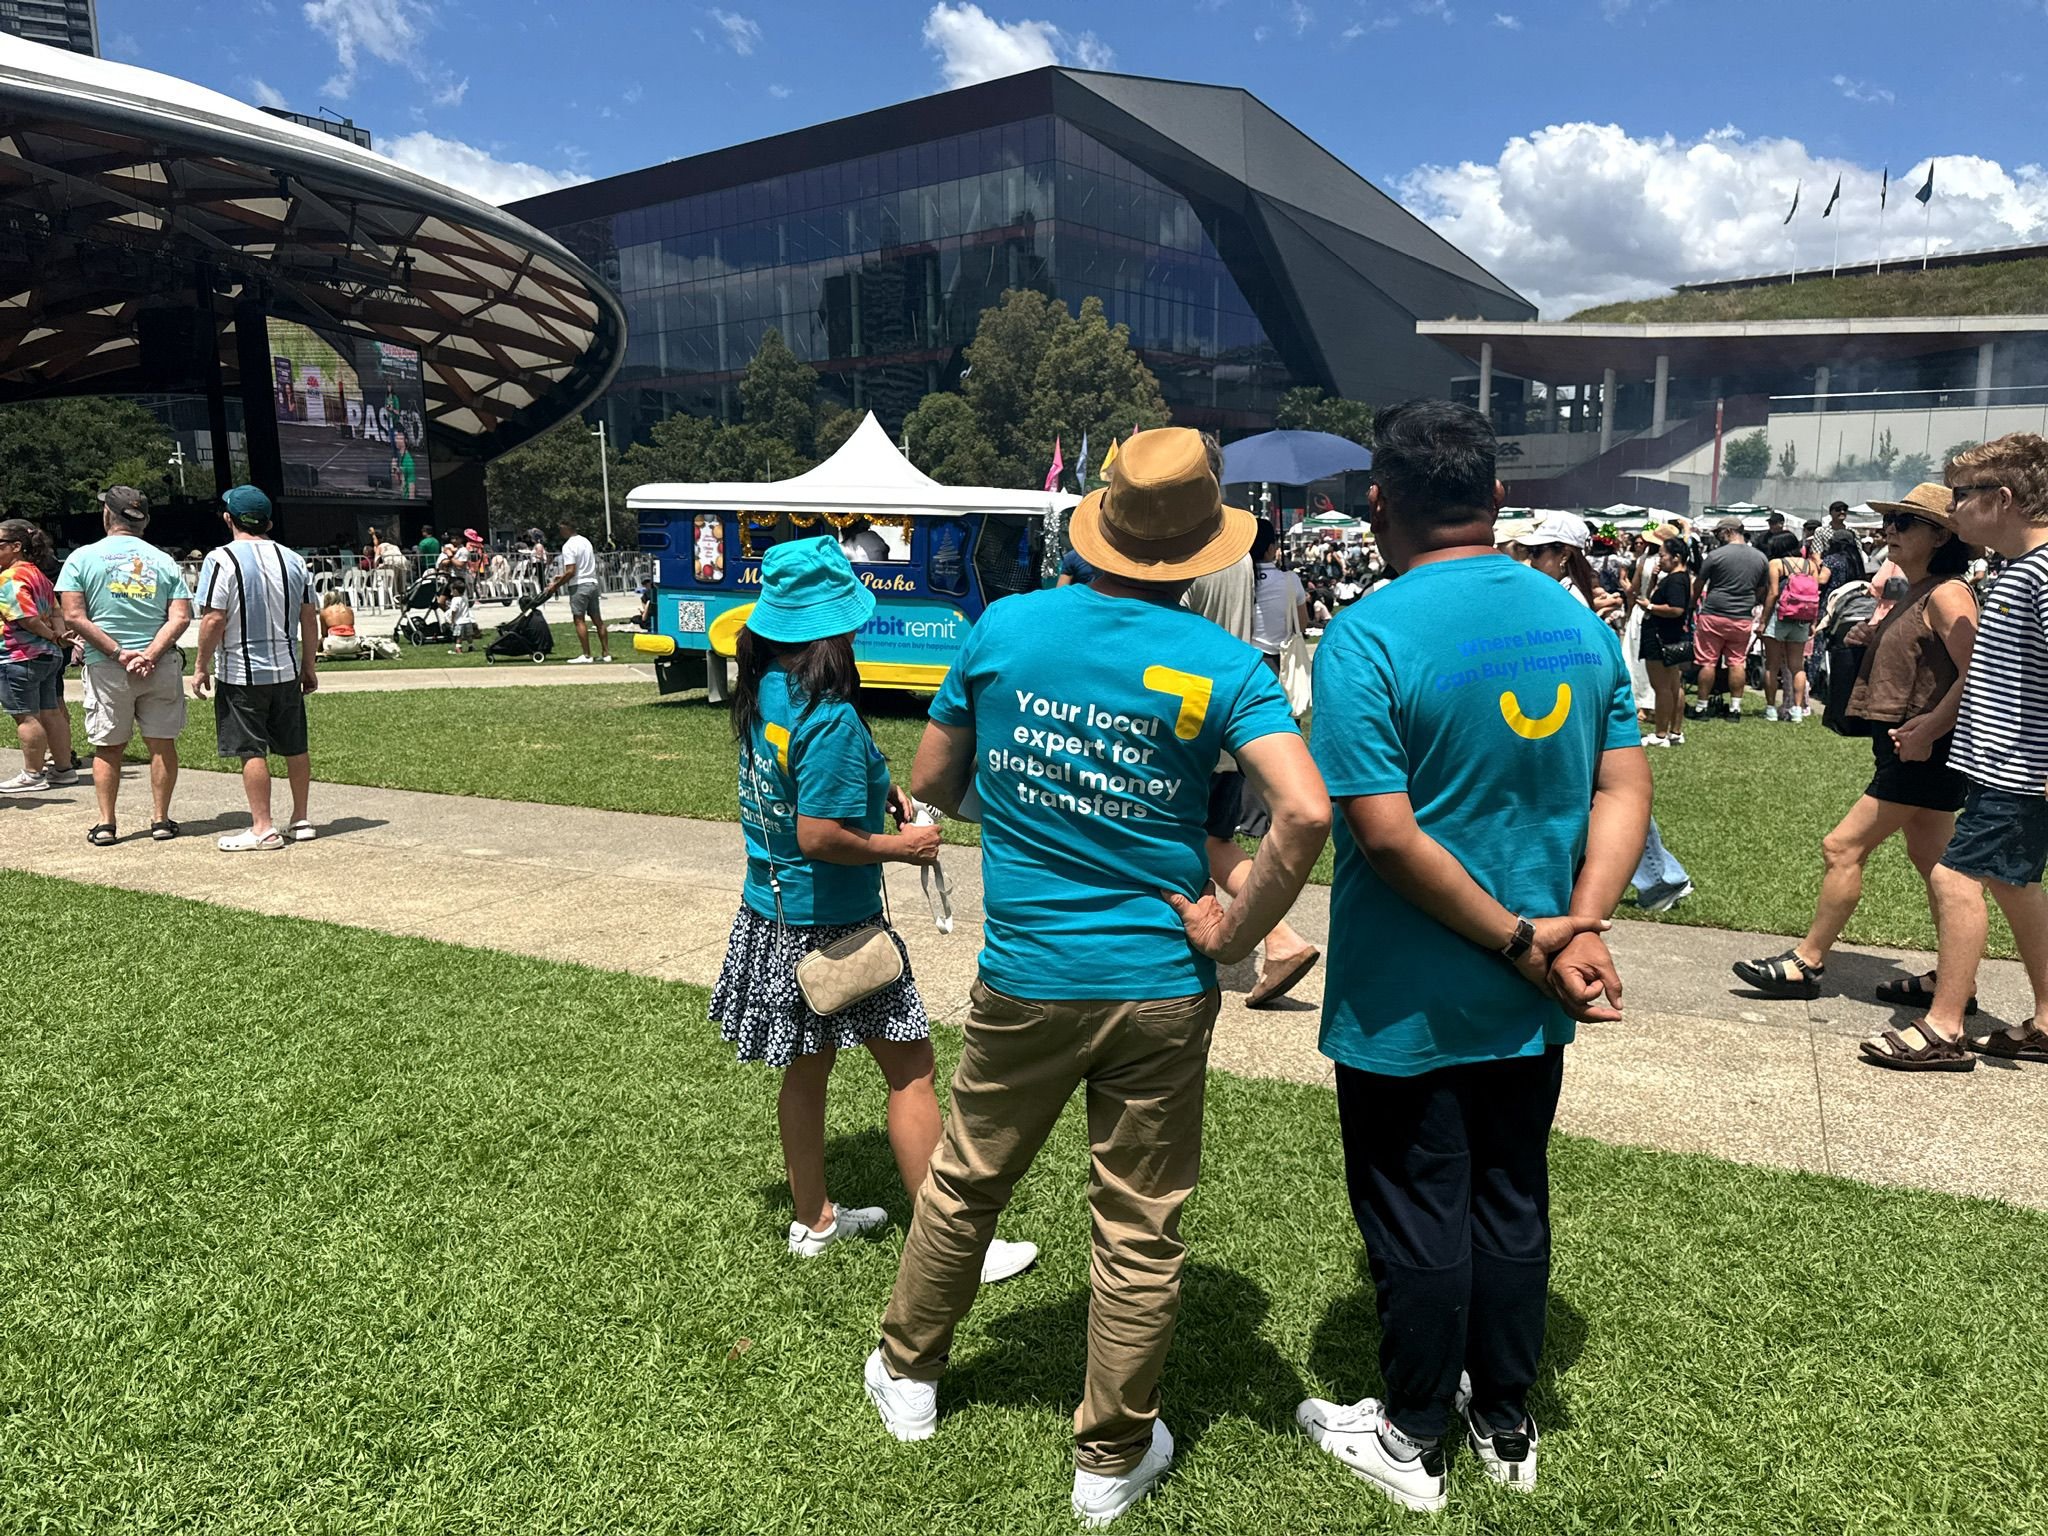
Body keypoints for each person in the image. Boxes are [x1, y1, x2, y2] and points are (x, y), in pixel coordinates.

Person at [864, 428, 1329, 1527]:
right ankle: (1110, 1456)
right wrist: (1237, 927)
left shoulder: (1005, 629)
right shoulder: (1222, 663)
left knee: (968, 1180)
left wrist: (1043, 795)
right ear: (1202, 549)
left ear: (1098, 526)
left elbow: (935, 784)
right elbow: (1304, 812)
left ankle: (910, 1373)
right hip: (1161, 982)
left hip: (1028, 972)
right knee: (1137, 1226)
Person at [1298, 400, 1650, 1515]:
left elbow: (1385, 835)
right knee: (1508, 1193)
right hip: (1536, 987)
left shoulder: (1366, 634)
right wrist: (1577, 926)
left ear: (1377, 505)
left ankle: (1410, 1437)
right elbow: (1622, 786)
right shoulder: (1575, 621)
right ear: (1495, 499)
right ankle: (1504, 1416)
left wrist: (1524, 939)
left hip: (1410, 995)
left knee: (1417, 1207)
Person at [707, 536, 1040, 1285]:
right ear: (833, 632)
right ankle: (954, 1249)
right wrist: (904, 846)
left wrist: (876, 787)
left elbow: (797, 791)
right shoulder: (827, 716)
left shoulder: (765, 692)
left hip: (772, 916)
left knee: (806, 1071)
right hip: (837, 925)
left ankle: (814, 1219)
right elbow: (818, 834)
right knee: (912, 1068)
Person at [1733, 484, 1977, 1009]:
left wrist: (1929, 729)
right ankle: (1957, 981)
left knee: (1842, 847)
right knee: (1936, 863)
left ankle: (1807, 962)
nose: (1889, 530)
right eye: (1889, 521)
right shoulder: (1919, 589)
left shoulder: (1947, 594)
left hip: (1922, 746)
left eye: (1903, 523)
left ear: (1940, 536)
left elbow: (1978, 673)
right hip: (1909, 743)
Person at [1870, 438, 2048, 1068]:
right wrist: (1938, 722)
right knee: (2014, 884)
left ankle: (1944, 1027)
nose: (1953, 510)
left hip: (2021, 773)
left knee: (1954, 876)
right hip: (2004, 767)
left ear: (2002, 499)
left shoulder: (2040, 573)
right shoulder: (2016, 571)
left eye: (1961, 496)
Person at [1187, 506, 1321, 1010]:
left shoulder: (1185, 557)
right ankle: (1279, 939)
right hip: (1230, 711)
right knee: (1213, 840)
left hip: (1186, 717)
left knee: (1190, 838)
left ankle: (1279, 938)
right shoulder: (1235, 553)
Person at [56, 487, 192, 846]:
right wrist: (150, 654)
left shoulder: (81, 558)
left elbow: (73, 616)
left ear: (107, 515)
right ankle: (161, 820)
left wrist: (119, 654)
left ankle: (106, 823)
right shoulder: (164, 560)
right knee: (162, 744)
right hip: (159, 666)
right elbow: (180, 617)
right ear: (144, 521)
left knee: (108, 746)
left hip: (106, 667)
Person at [193, 486, 320, 851]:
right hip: (286, 669)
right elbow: (308, 617)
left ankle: (262, 827)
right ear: (268, 522)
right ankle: (301, 818)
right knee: (295, 745)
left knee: (251, 749)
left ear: (228, 518)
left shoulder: (220, 559)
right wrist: (308, 665)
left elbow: (214, 618)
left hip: (241, 673)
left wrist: (201, 665)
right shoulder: (294, 560)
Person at [0, 519, 78, 794]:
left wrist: (52, 636)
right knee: (51, 711)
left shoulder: (9, 578)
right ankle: (64, 769)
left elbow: (26, 618)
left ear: (16, 546)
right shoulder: (38, 575)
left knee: (26, 716)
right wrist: (59, 636)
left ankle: (33, 774)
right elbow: (56, 611)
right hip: (48, 656)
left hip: (18, 656)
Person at [1689, 517, 1767, 719]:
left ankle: (1701, 706)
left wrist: (1692, 604)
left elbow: (1699, 583)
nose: (1717, 537)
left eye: (1718, 533)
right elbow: (1761, 588)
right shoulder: (1760, 558)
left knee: (1707, 661)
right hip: (1741, 617)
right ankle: (1735, 708)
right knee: (1737, 661)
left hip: (1714, 613)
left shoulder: (1715, 555)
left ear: (1729, 531)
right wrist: (1749, 601)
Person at [1758, 530, 1826, 722]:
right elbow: (1814, 595)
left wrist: (1763, 620)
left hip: (1779, 617)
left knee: (1772, 666)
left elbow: (1773, 593)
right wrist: (1813, 622)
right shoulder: (1810, 565)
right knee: (1797, 666)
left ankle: (1771, 709)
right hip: (1802, 619)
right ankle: (1797, 709)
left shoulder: (1776, 564)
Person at [1641, 537, 1693, 749]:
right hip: (1670, 638)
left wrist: (1650, 607)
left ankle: (1661, 734)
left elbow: (1676, 609)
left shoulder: (1676, 580)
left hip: (1660, 638)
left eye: (1663, 555)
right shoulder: (1678, 578)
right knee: (1673, 686)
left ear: (1676, 557)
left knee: (1662, 687)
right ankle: (1674, 732)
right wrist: (1654, 580)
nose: (1659, 559)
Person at [543, 517, 609, 662]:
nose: (560, 532)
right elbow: (579, 567)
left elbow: (571, 571)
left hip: (579, 585)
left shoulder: (568, 546)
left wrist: (556, 585)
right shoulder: (586, 542)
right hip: (592, 583)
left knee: (579, 619)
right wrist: (562, 576)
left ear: (566, 528)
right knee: (597, 620)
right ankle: (606, 653)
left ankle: (586, 655)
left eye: (561, 529)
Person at [445, 577, 479, 653]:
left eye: (452, 591)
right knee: (469, 636)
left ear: (455, 591)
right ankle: (471, 646)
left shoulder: (455, 600)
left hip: (459, 622)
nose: (451, 593)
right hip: (467, 620)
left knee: (459, 636)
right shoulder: (465, 598)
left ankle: (458, 648)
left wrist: (452, 620)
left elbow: (454, 611)